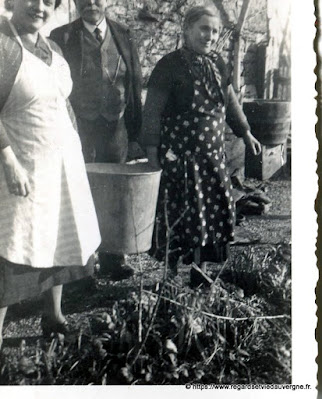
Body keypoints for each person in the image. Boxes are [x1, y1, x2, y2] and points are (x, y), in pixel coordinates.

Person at [0, 0, 101, 349]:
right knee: (13, 248)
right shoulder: (1, 44)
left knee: (57, 236)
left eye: (49, 1)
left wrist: (76, 159)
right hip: (20, 166)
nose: (40, 7)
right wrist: (9, 162)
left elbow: (62, 103)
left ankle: (53, 315)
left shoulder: (52, 48)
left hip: (59, 168)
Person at [140, 6, 261, 279]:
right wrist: (151, 150)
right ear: (187, 30)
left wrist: (245, 132)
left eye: (215, 30)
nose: (210, 35)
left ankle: (200, 271)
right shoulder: (169, 65)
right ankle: (169, 276)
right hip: (180, 159)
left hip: (212, 157)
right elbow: (152, 112)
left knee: (210, 214)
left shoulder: (219, 63)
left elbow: (230, 102)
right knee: (177, 215)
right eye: (204, 29)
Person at [50, 0, 143, 279]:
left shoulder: (123, 34)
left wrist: (136, 132)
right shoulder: (61, 37)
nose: (91, 2)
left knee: (114, 192)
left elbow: (134, 83)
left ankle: (113, 258)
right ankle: (81, 266)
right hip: (80, 128)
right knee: (80, 190)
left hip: (116, 128)